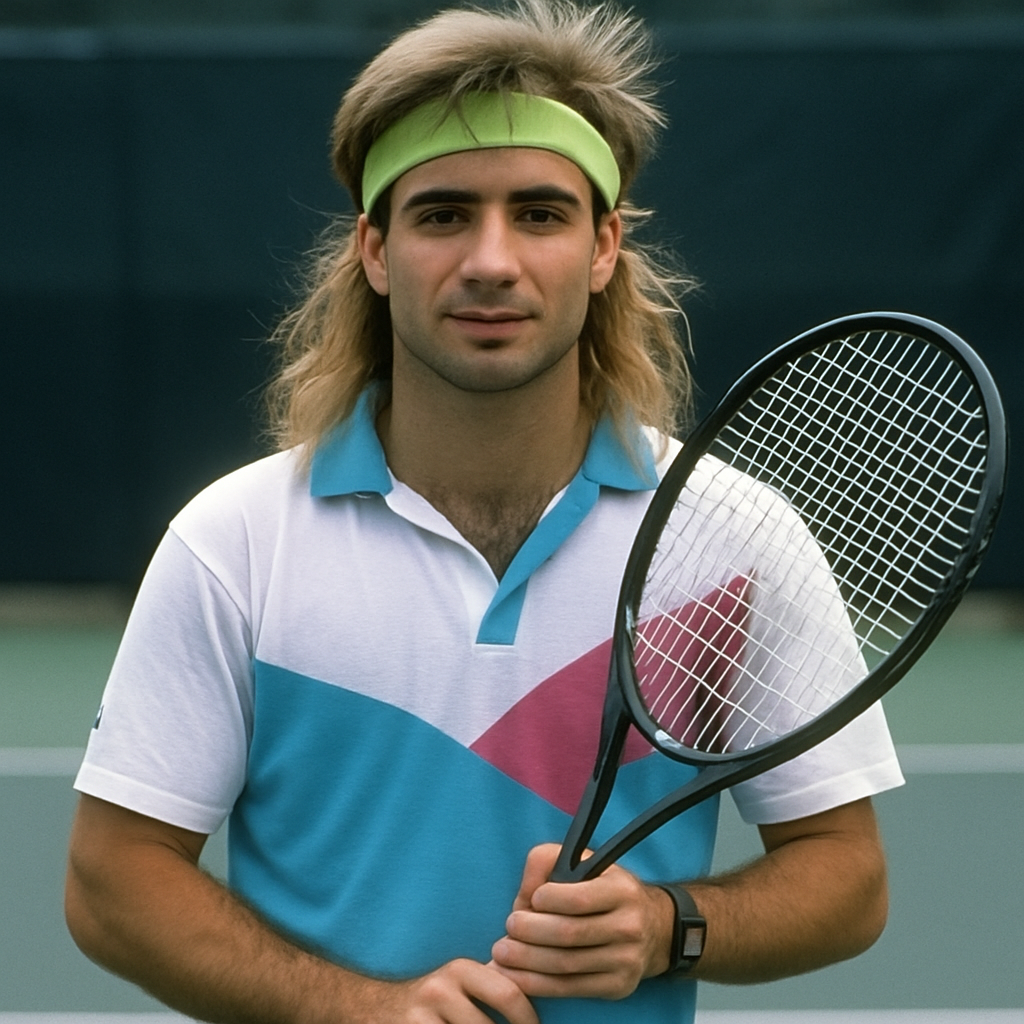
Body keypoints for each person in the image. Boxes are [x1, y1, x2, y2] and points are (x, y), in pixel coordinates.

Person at [65, 2, 905, 1023]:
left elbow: (845, 877)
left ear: (603, 249)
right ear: (375, 251)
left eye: (541, 214)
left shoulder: (734, 537)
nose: (492, 262)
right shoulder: (233, 541)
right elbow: (113, 884)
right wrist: (361, 1008)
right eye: (443, 213)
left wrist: (666, 926)